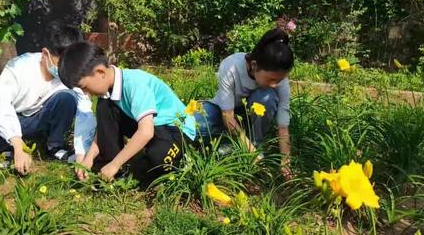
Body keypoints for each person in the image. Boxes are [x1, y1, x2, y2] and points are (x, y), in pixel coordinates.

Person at [58, 41, 196, 182]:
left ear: (100, 72)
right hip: (153, 126)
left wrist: (115, 164)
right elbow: (104, 130)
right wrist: (89, 157)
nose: (85, 93)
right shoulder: (108, 93)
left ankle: (125, 167)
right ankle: (110, 166)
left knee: (158, 161)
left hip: (177, 129)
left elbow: (146, 132)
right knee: (104, 106)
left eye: (84, 87)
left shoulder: (134, 84)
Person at [0, 25, 96, 175]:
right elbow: (1, 106)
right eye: (61, 64)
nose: (65, 70)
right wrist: (18, 146)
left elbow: (84, 112)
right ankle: (6, 147)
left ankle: (54, 146)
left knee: (67, 97)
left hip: (37, 119)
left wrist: (81, 156)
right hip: (12, 117)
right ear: (45, 54)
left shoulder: (71, 76)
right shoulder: (19, 67)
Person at [194, 28, 294, 179]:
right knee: (196, 124)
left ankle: (255, 144)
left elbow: (282, 125)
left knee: (266, 96)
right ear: (254, 66)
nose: (275, 84)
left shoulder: (279, 80)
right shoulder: (230, 67)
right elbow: (227, 116)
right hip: (225, 113)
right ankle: (238, 146)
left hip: (252, 117)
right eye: (271, 79)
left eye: (279, 80)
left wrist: (285, 162)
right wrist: (249, 151)